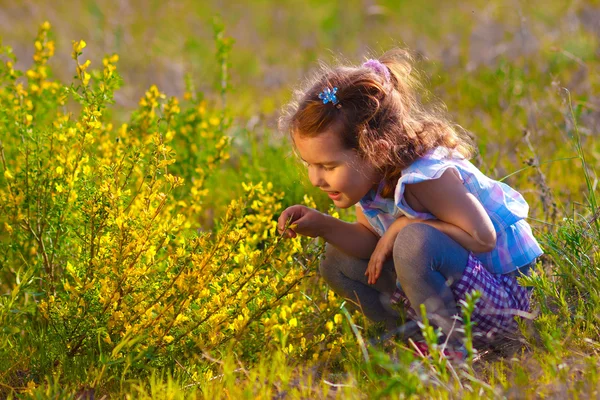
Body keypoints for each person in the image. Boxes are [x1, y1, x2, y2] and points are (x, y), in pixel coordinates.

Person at [276, 49, 543, 356]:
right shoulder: (371, 179)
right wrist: (322, 225)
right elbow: (371, 245)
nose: (315, 179)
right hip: (461, 299)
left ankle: (453, 356)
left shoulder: (426, 178)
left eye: (328, 166)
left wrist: (405, 224)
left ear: (374, 148)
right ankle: (418, 344)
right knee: (336, 260)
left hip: (507, 306)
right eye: (309, 164)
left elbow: (483, 238)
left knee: (413, 240)